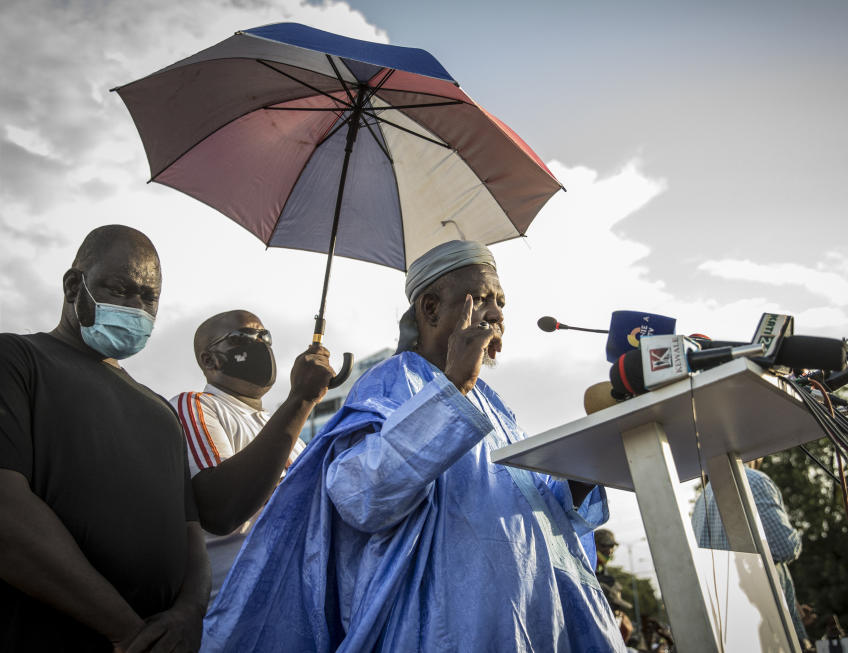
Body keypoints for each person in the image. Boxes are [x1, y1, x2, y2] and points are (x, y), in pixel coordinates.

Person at [202, 240, 625, 652]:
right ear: (431, 308)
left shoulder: (495, 405)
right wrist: (455, 384)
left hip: (528, 624)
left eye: (501, 301)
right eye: (481, 299)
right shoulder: (390, 382)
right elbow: (359, 496)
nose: (497, 313)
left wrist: (581, 469)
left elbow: (530, 510)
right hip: (438, 631)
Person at [0, 225, 209, 652]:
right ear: (75, 285)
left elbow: (191, 535)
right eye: (121, 289)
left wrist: (189, 614)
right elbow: (5, 511)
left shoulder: (162, 412)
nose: (137, 307)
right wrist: (127, 632)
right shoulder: (17, 361)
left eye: (149, 297)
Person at [170, 310, 334, 600]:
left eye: (264, 336)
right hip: (234, 612)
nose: (260, 343)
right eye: (242, 337)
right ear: (209, 360)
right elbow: (220, 508)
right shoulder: (197, 406)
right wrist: (301, 398)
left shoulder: (289, 433)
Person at [691, 459, 809, 645]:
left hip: (733, 627)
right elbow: (784, 547)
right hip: (767, 628)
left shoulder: (702, 499)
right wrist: (798, 534)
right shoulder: (754, 481)